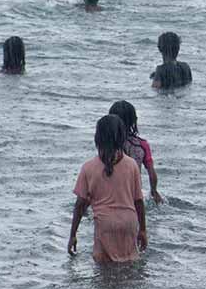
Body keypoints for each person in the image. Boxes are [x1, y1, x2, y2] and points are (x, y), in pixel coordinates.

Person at [68, 114, 147, 263]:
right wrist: (143, 230)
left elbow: (80, 205)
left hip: (105, 225)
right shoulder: (132, 165)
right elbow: (139, 202)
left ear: (98, 138)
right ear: (122, 138)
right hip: (128, 223)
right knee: (128, 268)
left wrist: (73, 235)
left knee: (105, 275)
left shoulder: (88, 167)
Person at [108, 100, 163, 205]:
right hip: (134, 192)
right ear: (134, 120)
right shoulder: (142, 145)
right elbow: (151, 172)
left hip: (111, 193)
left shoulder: (108, 144)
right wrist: (153, 191)